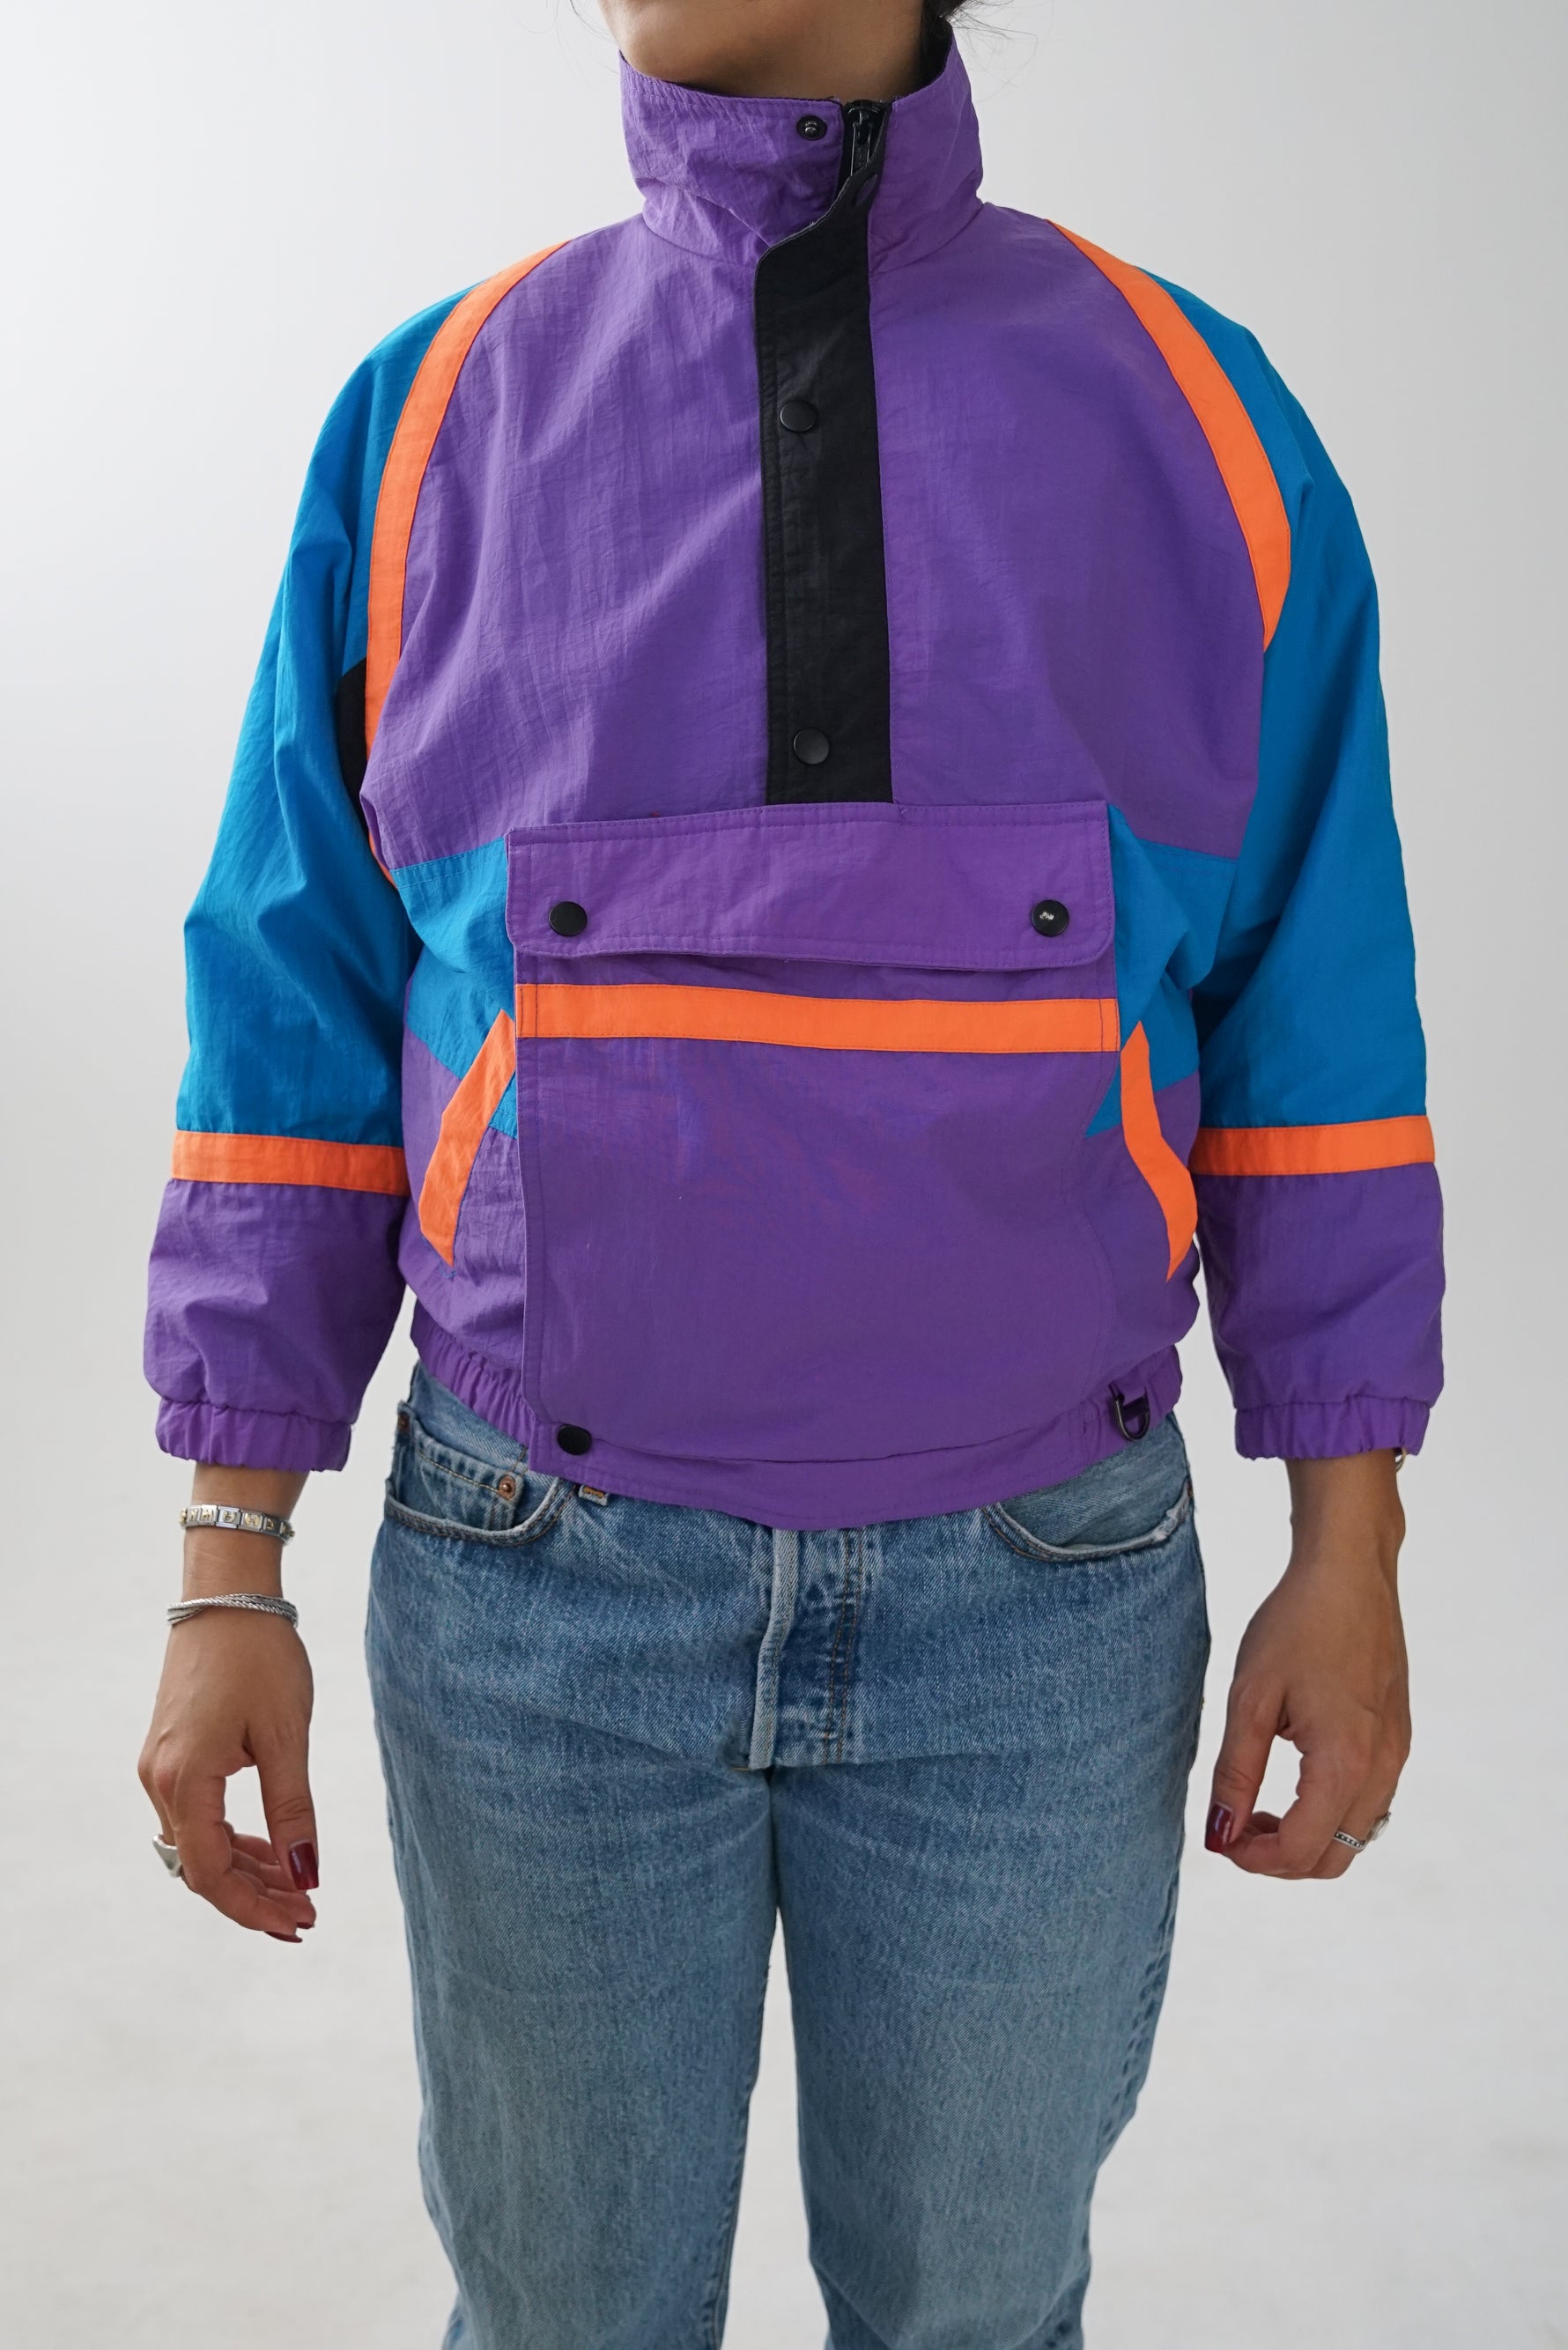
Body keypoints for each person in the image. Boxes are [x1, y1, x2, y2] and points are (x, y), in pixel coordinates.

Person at [138, 0, 1443, 2341]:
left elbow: (1313, 1023)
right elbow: (291, 1013)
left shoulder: (1193, 414)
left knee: (977, 2317)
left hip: (1036, 1610)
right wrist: (227, 1560)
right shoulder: (436, 415)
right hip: (539, 1595)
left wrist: (1349, 1547)